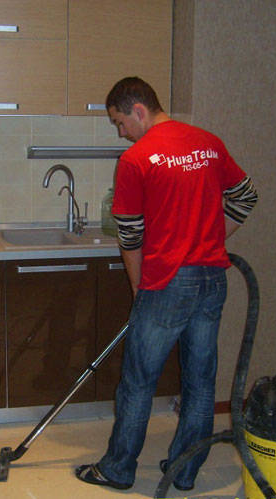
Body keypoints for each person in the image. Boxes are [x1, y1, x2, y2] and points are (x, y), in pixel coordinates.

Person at [75, 77, 258, 491]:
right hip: (212, 279)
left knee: (138, 382)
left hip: (167, 283)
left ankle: (117, 469)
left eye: (120, 122)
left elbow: (130, 236)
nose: (121, 132)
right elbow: (246, 197)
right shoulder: (209, 143)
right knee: (200, 382)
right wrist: (210, 240)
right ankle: (184, 470)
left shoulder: (136, 159)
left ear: (138, 110)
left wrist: (139, 290)